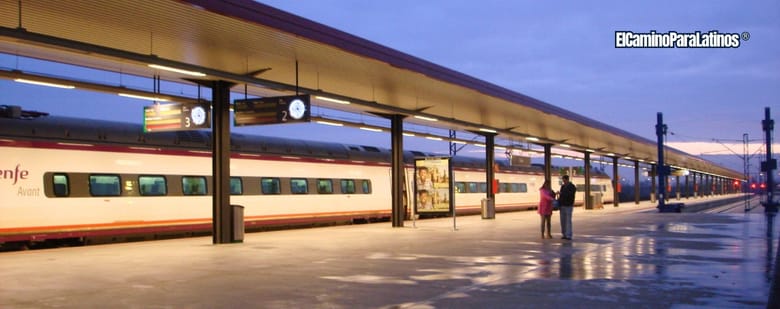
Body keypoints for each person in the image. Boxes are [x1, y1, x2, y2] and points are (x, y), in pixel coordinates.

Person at [557, 175, 577, 240]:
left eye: (564, 180)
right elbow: (561, 196)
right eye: (563, 180)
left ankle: (569, 235)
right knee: (562, 221)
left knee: (568, 221)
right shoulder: (562, 186)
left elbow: (570, 195)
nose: (563, 181)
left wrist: (562, 193)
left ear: (567, 179)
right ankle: (564, 234)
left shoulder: (572, 187)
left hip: (569, 206)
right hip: (562, 206)